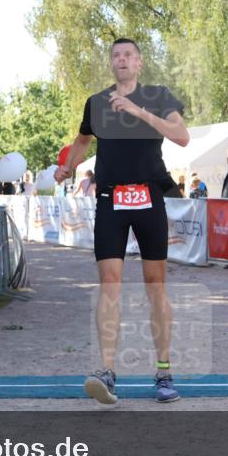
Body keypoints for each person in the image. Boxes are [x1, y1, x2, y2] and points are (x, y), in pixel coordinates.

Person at [55, 37, 190, 405]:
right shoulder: (97, 103)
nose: (122, 60)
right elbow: (82, 140)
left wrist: (138, 110)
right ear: (111, 63)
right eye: (116, 55)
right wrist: (67, 166)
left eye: (128, 55)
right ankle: (108, 371)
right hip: (110, 198)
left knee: (154, 285)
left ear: (140, 62)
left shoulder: (159, 96)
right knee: (109, 282)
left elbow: (181, 137)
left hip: (149, 196)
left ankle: (163, 372)